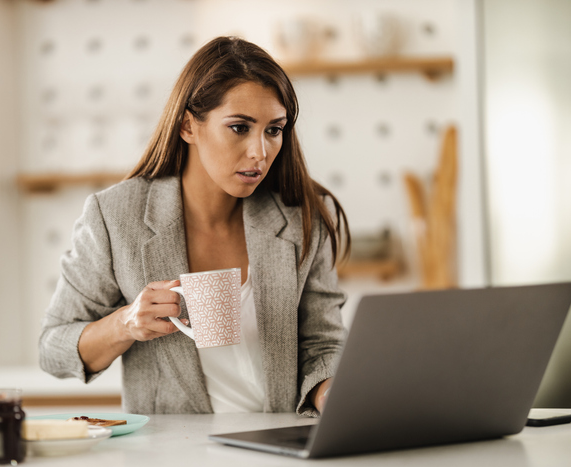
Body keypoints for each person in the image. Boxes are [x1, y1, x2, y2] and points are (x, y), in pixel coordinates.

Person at [39, 36, 351, 416]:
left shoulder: (301, 216)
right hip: (173, 459)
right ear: (188, 126)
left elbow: (323, 344)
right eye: (239, 128)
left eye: (274, 130)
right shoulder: (115, 216)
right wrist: (125, 323)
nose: (260, 152)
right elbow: (52, 349)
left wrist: (332, 393)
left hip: (278, 449)